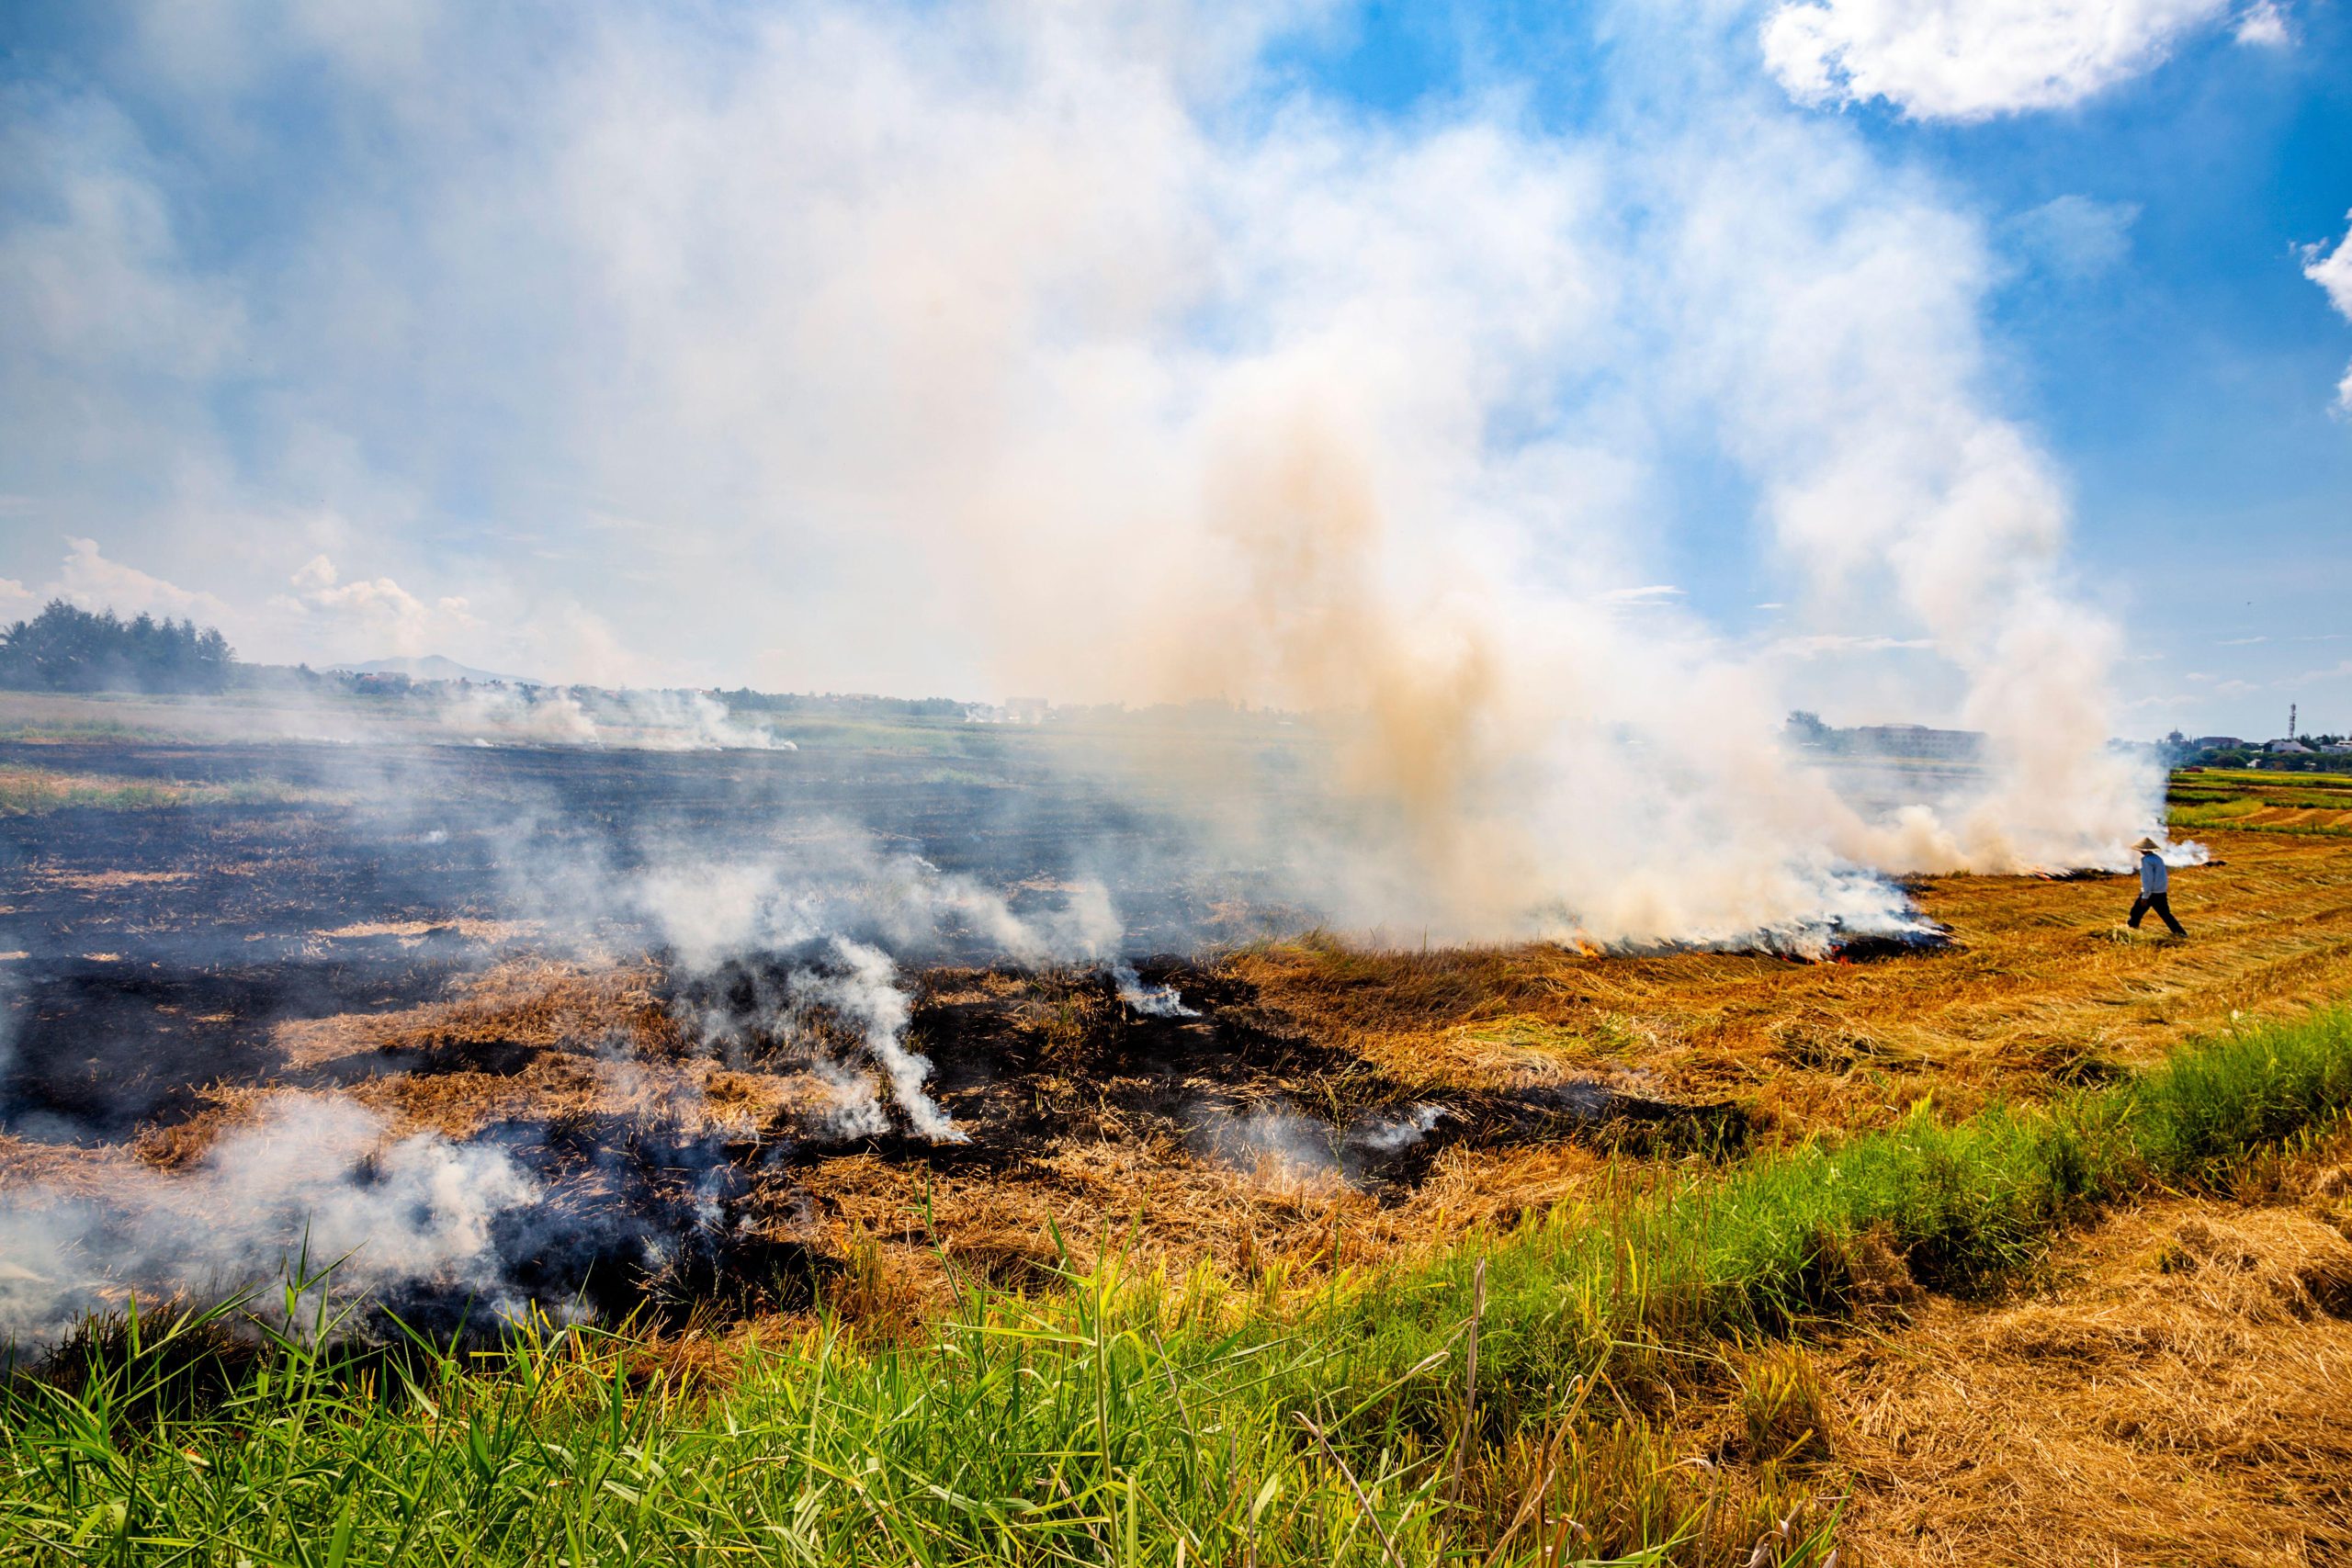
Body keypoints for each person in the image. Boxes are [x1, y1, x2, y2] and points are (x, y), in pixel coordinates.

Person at [2128, 836, 2188, 936]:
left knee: (2135, 913)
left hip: (2152, 893)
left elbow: (2148, 879)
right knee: (2166, 914)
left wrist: (2145, 896)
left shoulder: (2146, 860)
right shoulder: (2157, 858)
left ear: (2143, 850)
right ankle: (2181, 933)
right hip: (2161, 891)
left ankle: (2132, 932)